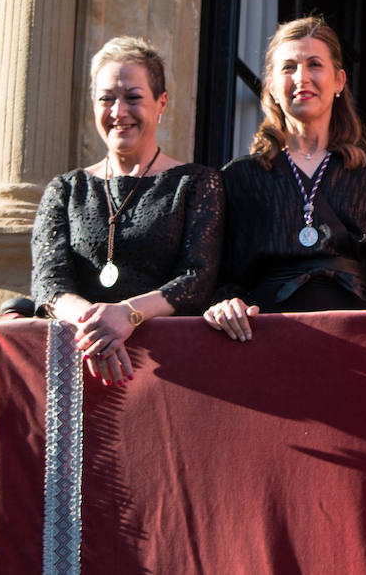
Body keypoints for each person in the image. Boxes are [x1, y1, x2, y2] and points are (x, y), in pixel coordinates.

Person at [203, 17, 366, 340]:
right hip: (263, 341)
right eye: (288, 67)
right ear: (270, 84)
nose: (302, 78)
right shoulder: (240, 177)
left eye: (314, 64)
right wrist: (224, 303)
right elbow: (225, 282)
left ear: (339, 80)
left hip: (360, 339)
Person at [31, 37, 224, 385]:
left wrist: (128, 314)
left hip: (172, 368)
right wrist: (100, 326)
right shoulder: (65, 189)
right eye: (107, 99)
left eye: (133, 98)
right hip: (84, 359)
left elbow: (197, 279)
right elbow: (49, 283)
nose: (119, 112)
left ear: (161, 102)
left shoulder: (196, 183)